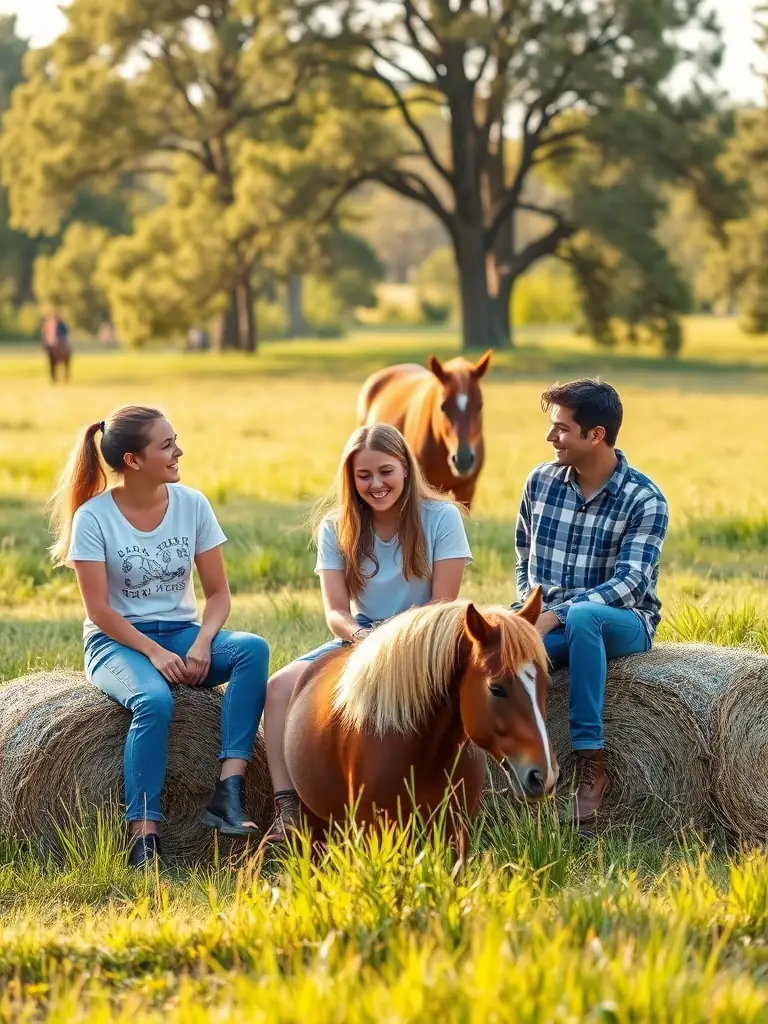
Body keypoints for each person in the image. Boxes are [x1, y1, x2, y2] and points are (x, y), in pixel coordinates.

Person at [48, 405, 270, 867]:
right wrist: (152, 652)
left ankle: (227, 792)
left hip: (182, 632)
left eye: (175, 441)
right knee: (154, 701)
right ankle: (144, 838)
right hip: (116, 643)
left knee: (252, 650)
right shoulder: (94, 518)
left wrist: (203, 641)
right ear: (133, 460)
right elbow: (99, 611)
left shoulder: (193, 505)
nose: (178, 451)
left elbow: (219, 594)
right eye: (166, 445)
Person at [262, 423, 473, 841]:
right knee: (278, 688)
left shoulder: (442, 517)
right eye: (364, 476)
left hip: (423, 641)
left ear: (406, 470)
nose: (376, 484)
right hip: (359, 639)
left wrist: (394, 641)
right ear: (351, 479)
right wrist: (362, 639)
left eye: (386, 472)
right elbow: (336, 612)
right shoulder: (335, 527)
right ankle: (287, 807)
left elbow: (443, 604)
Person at [513, 379, 669, 825]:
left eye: (560, 429)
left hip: (620, 621)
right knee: (486, 653)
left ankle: (590, 767)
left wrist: (553, 615)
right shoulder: (539, 482)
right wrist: (527, 613)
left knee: (584, 617)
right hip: (546, 620)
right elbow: (524, 558)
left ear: (595, 435)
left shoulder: (645, 499)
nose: (550, 438)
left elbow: (632, 583)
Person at [41, 311, 71, 384]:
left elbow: (65, 334)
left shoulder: (61, 325)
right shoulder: (48, 325)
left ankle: (65, 376)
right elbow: (45, 335)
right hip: (51, 344)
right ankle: (53, 377)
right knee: (50, 360)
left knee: (67, 351)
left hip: (60, 342)